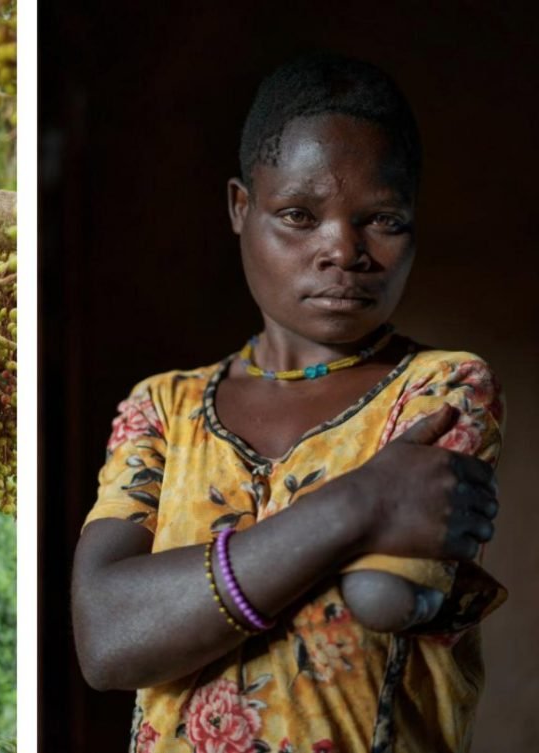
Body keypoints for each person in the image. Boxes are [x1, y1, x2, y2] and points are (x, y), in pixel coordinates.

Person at [71, 54, 506, 753]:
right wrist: (359, 502)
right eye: (300, 215)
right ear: (241, 208)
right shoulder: (163, 407)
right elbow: (108, 638)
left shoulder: (440, 387)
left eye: (383, 220)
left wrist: (176, 597)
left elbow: (382, 595)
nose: (342, 249)